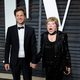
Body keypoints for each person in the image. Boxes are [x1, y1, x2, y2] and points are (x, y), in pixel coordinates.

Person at [4, 7, 37, 80]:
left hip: (27, 61)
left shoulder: (31, 30)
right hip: (14, 60)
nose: (19, 17)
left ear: (24, 16)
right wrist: (6, 61)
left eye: (21, 15)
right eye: (17, 15)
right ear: (15, 17)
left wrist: (34, 61)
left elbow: (33, 47)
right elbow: (7, 46)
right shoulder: (10, 29)